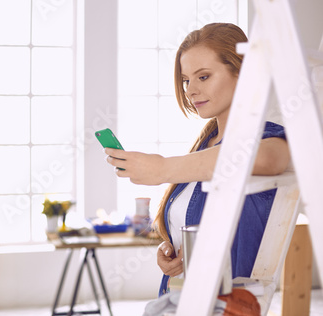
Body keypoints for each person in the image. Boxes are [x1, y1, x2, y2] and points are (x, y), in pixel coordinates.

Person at [104, 23, 290, 296]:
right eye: (186, 80)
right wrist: (173, 246)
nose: (190, 90)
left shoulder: (267, 137)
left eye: (203, 77)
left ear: (243, 73)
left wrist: (164, 169)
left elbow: (268, 158)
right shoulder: (205, 148)